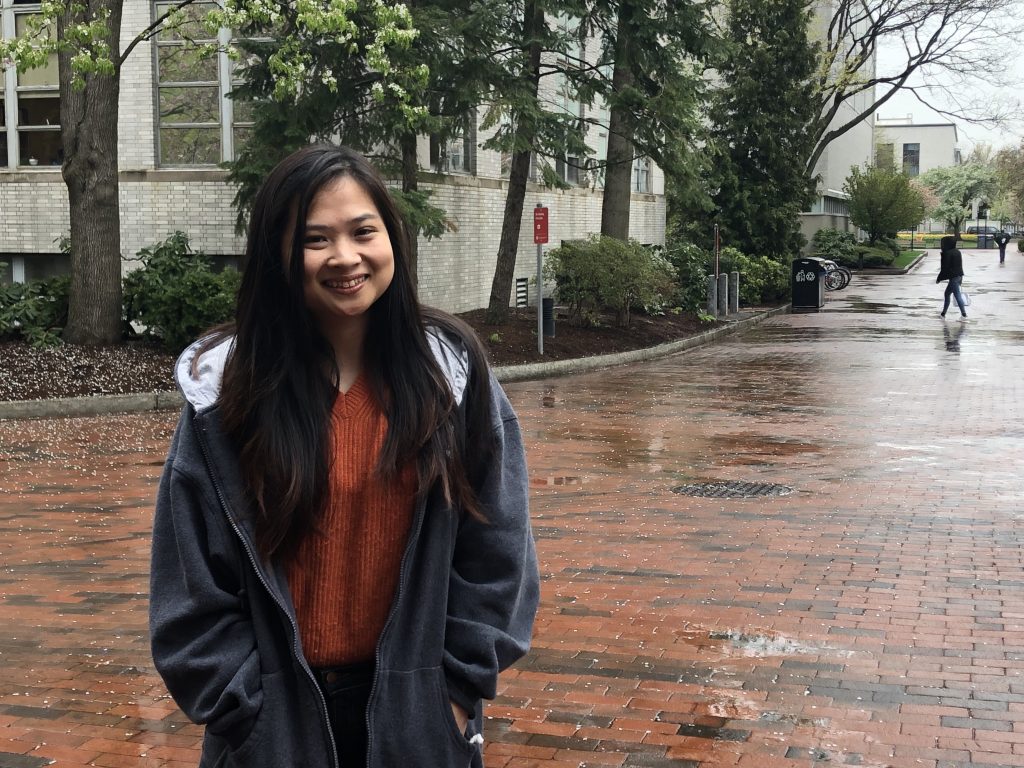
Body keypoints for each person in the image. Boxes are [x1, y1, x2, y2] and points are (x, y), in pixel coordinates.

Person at [149, 144, 540, 768]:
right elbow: (191, 583)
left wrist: (456, 692)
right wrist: (245, 709)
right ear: (278, 254)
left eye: (364, 231)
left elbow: (499, 550)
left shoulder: (451, 378)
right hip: (273, 724)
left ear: (392, 239)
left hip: (419, 714)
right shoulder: (226, 397)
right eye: (315, 239)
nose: (345, 257)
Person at [936, 235, 967, 319]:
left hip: (953, 277)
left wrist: (939, 278)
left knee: (957, 295)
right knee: (947, 294)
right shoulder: (957, 251)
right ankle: (943, 313)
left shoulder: (947, 253)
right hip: (959, 276)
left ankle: (964, 314)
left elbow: (944, 268)